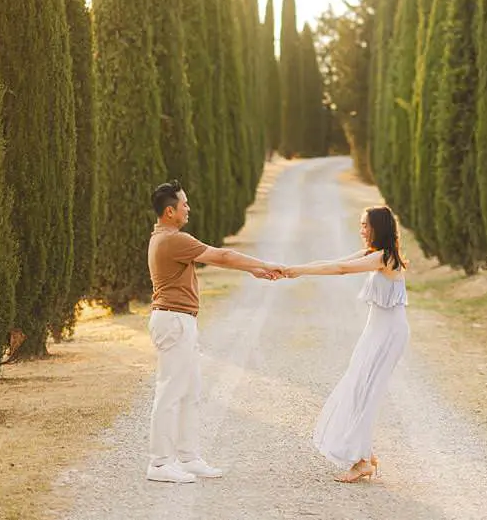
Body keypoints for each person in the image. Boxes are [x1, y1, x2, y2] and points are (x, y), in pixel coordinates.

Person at [146, 181, 284, 484]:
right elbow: (220, 255)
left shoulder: (168, 237)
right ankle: (159, 464)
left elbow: (218, 259)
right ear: (170, 211)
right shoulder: (173, 239)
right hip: (173, 321)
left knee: (191, 391)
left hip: (181, 321)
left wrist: (253, 270)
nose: (188, 208)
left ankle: (188, 457)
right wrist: (261, 265)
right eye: (184, 205)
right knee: (170, 392)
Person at [282, 205, 409, 483]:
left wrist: (297, 271)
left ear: (378, 228)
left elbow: (340, 270)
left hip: (389, 333)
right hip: (376, 330)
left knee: (366, 391)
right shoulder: (373, 255)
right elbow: (334, 262)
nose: (361, 229)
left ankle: (361, 460)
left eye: (365, 225)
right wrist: (297, 269)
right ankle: (364, 453)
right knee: (359, 387)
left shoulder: (384, 259)